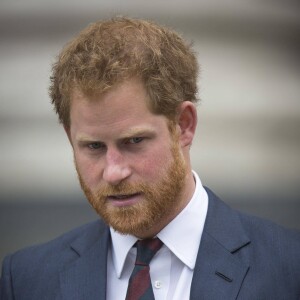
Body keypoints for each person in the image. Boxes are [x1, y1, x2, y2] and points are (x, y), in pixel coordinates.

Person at [0, 17, 300, 300]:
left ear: (184, 125)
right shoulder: (26, 279)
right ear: (69, 138)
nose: (114, 172)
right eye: (93, 146)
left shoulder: (288, 268)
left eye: (134, 141)